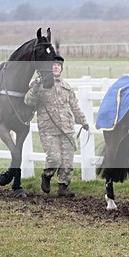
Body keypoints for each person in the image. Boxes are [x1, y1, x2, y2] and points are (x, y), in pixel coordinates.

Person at [24, 54, 89, 197]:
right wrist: (36, 86)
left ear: (61, 68)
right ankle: (46, 176)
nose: (55, 67)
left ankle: (63, 187)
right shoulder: (39, 85)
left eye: (58, 65)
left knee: (67, 161)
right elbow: (28, 101)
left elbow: (75, 106)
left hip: (67, 128)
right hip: (48, 129)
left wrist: (83, 121)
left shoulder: (66, 86)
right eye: (53, 65)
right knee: (54, 158)